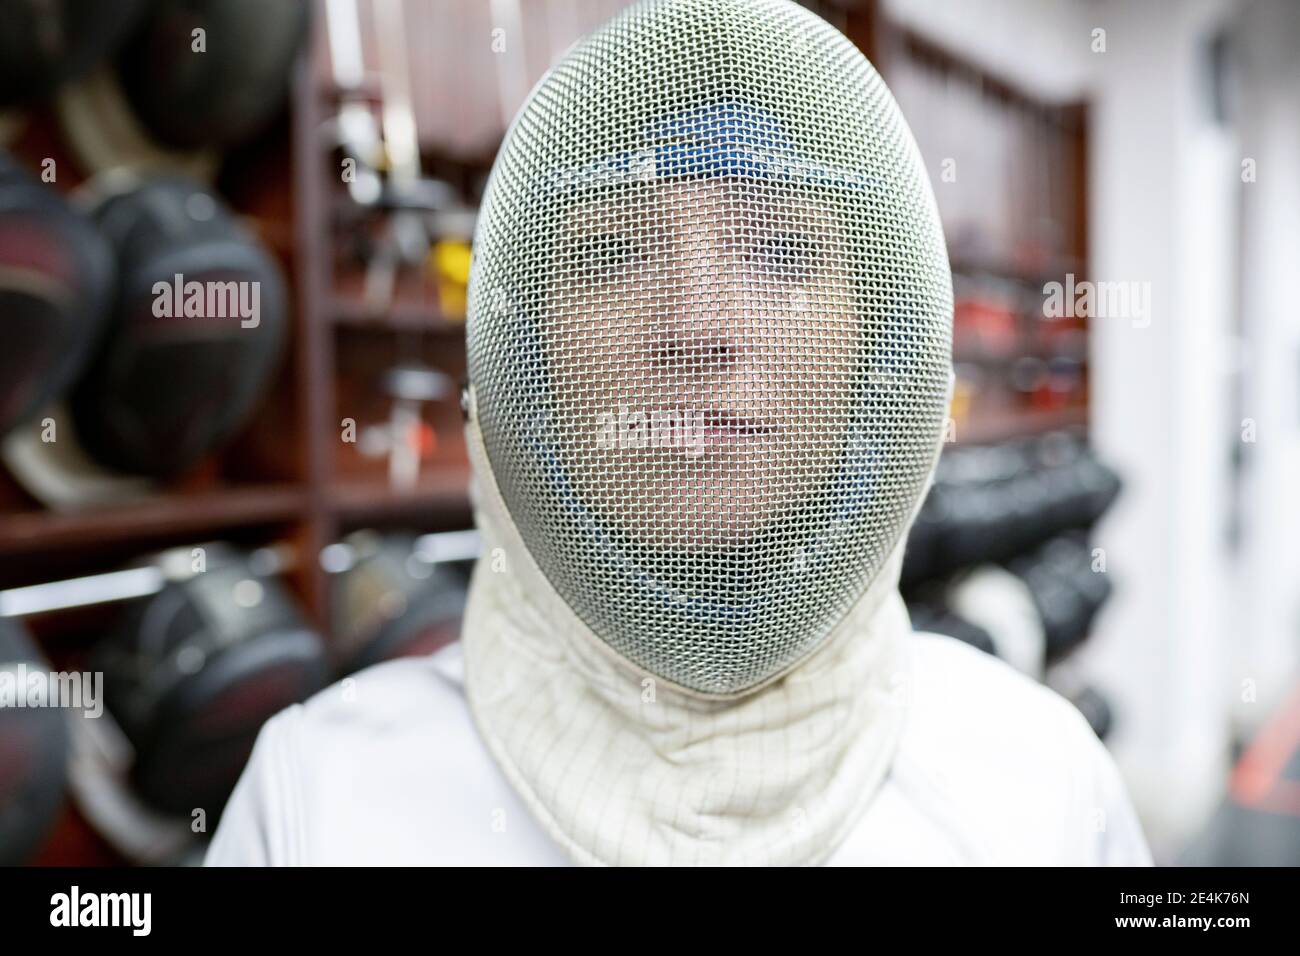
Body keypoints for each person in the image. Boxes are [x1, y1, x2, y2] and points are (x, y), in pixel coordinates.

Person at [207, 0, 1151, 867]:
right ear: (521, 356)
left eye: (783, 249)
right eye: (612, 253)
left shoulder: (1040, 787)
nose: (699, 323)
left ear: (877, 345)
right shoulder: (321, 806)